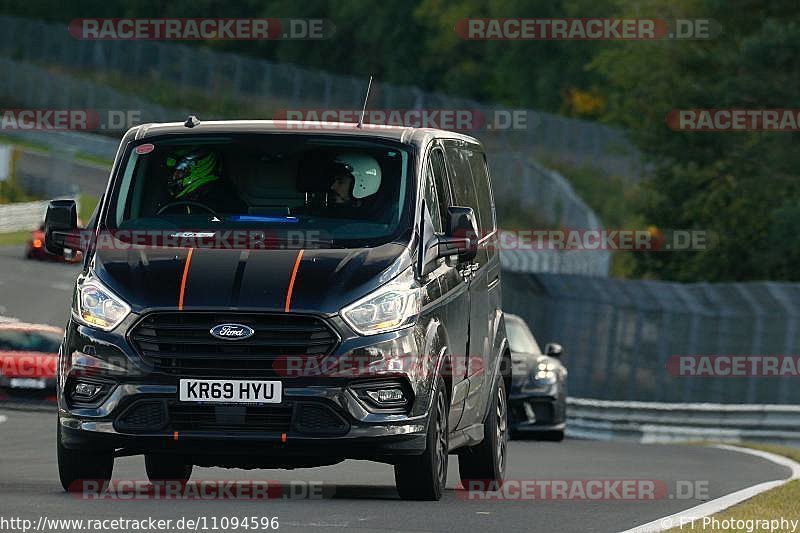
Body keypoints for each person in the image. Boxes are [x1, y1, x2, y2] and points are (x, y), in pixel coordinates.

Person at [162, 148, 246, 214]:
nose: (174, 177)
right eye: (173, 173)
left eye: (179, 172)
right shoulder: (167, 200)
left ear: (199, 170)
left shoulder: (225, 199)